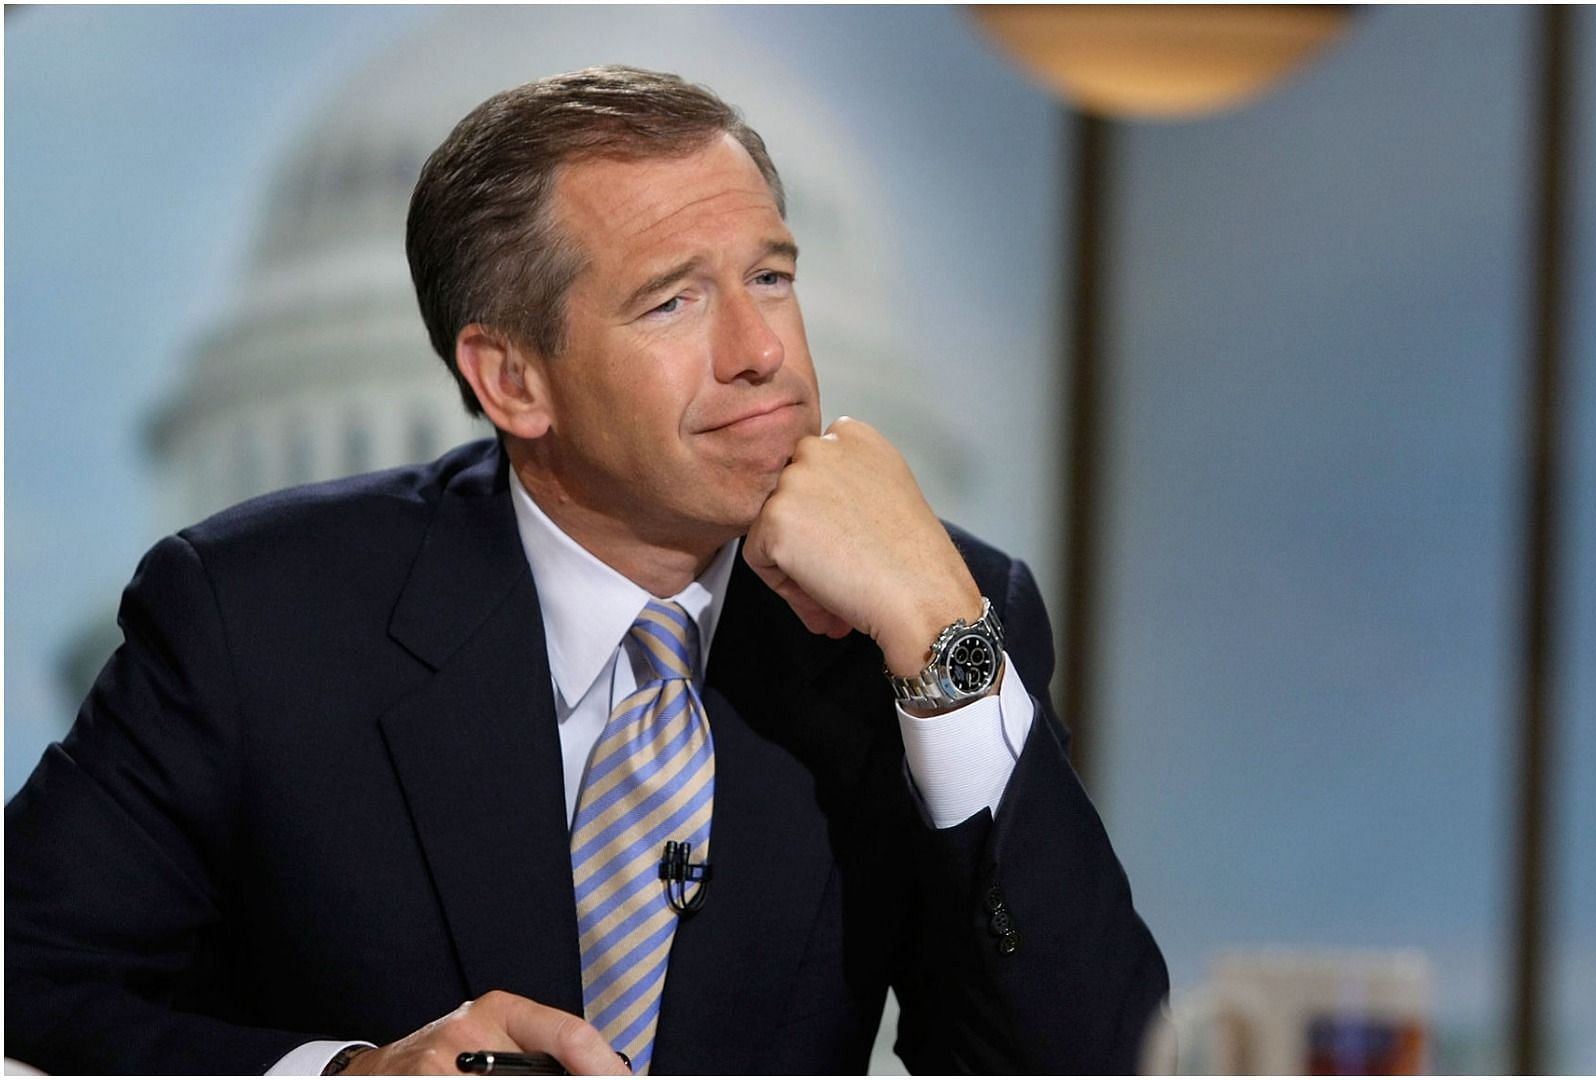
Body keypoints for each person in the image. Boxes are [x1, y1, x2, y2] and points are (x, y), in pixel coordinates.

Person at [5, 66, 1167, 1075]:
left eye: (771, 277)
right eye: (674, 300)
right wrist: (344, 1075)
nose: (766, 353)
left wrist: (942, 644)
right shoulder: (257, 616)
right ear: (514, 382)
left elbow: (1092, 1061)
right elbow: (30, 980)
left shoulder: (940, 606)